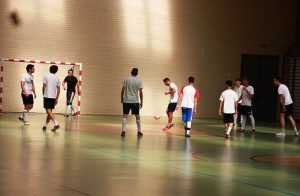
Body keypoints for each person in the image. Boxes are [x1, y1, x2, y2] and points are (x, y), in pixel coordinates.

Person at [121, 68, 143, 137]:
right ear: (137, 73)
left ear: (131, 72)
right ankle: (139, 131)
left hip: (126, 100)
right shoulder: (139, 81)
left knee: (125, 115)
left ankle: (123, 131)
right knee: (137, 115)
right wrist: (142, 101)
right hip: (135, 101)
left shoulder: (126, 79)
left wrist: (121, 98)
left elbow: (123, 90)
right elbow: (141, 92)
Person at [42, 65, 61, 131]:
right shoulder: (57, 78)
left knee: (48, 111)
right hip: (53, 97)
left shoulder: (46, 76)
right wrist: (57, 98)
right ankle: (45, 125)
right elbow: (58, 89)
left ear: (50, 69)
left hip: (47, 96)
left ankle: (56, 124)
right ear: (56, 71)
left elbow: (44, 86)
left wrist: (43, 94)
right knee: (50, 112)